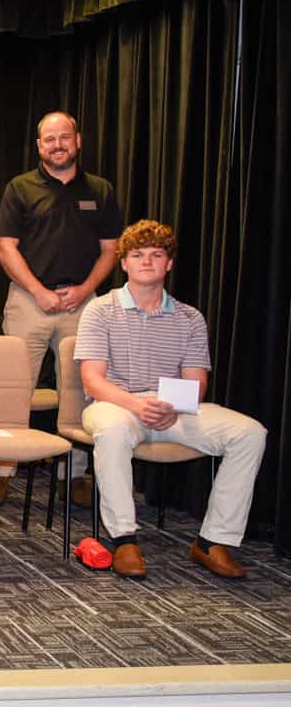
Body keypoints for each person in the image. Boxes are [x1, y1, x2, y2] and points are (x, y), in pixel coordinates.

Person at [75, 219, 266, 580]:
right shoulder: (101, 310)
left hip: (171, 409)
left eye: (156, 254)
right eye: (138, 254)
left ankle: (212, 542)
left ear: (169, 264)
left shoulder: (190, 318)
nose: (147, 261)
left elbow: (196, 384)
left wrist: (170, 407)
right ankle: (124, 539)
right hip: (116, 405)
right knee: (112, 430)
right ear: (125, 263)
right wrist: (137, 405)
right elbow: (93, 381)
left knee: (250, 432)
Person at [0, 111, 123, 508]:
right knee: (14, 388)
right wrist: (39, 291)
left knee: (79, 389)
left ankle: (73, 475)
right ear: (39, 146)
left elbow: (111, 249)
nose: (57, 145)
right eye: (49, 139)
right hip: (30, 301)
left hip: (83, 304)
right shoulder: (20, 187)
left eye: (64, 137)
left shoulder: (100, 189)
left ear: (77, 141)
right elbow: (4, 247)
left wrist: (84, 290)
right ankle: (0, 471)